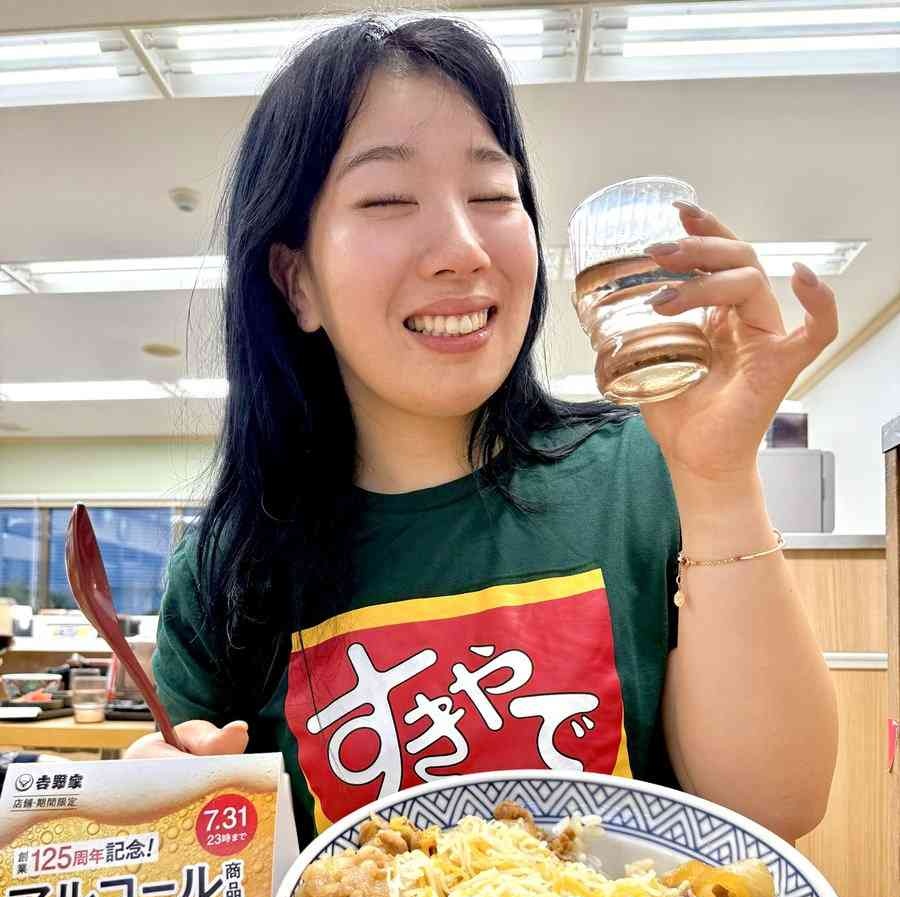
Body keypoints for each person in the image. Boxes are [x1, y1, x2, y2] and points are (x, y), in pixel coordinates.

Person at [127, 14, 839, 849]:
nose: (463, 248)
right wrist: (157, 811)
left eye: (495, 196)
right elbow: (204, 873)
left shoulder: (642, 473)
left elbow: (775, 812)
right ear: (296, 282)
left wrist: (718, 483)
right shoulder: (228, 569)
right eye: (388, 199)